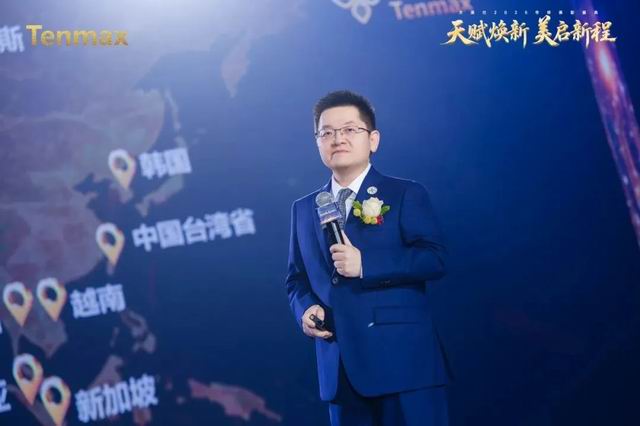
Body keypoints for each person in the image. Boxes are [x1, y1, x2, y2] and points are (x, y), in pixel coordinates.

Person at [286, 90, 451, 426]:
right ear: (317, 142)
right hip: (339, 367)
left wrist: (366, 265)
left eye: (349, 129)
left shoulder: (404, 193)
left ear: (373, 139)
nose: (337, 139)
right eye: (326, 132)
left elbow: (433, 258)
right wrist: (305, 309)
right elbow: (296, 279)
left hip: (404, 363)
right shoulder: (304, 208)